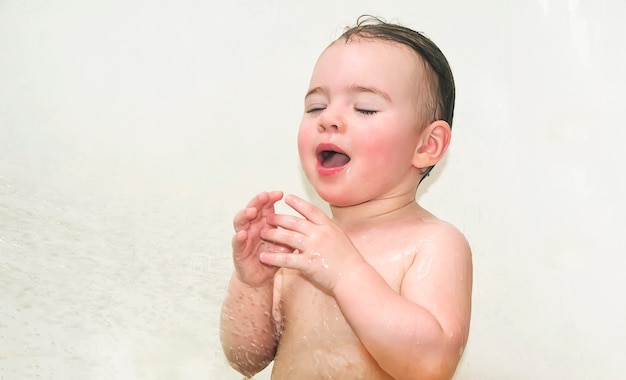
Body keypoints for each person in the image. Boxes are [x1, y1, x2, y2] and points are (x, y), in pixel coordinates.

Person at [220, 15, 472, 380]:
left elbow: (430, 365)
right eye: (316, 107)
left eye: (365, 108)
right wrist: (252, 283)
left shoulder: (433, 244)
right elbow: (246, 360)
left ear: (426, 145)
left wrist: (347, 274)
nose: (330, 119)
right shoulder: (299, 246)